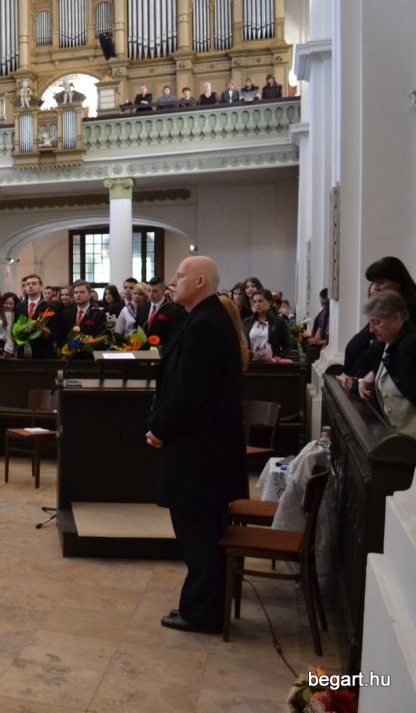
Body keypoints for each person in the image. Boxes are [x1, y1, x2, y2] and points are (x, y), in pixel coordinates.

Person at [147, 256, 246, 635]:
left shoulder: (206, 324)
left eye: (181, 275)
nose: (174, 282)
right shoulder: (202, 318)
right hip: (203, 449)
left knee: (199, 532)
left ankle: (202, 613)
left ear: (201, 281)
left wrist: (160, 428)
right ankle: (203, 607)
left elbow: (190, 392)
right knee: (198, 530)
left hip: (200, 453)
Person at [340, 256, 416, 391]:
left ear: (398, 283)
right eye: (374, 282)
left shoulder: (408, 317)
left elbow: (386, 357)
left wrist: (360, 380)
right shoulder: (382, 313)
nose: (376, 287)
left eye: (381, 282)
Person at [357, 290, 416, 437]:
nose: (371, 330)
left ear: (397, 317)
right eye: (370, 323)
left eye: (377, 322)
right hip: (398, 438)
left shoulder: (411, 345)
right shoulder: (388, 343)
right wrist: (370, 376)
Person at [243, 289, 291, 360]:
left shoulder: (278, 321)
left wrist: (280, 356)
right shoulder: (247, 322)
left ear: (270, 302)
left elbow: (287, 344)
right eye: (255, 302)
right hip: (252, 362)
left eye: (260, 301)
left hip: (272, 362)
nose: (257, 304)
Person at [141, 277, 185, 346]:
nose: (151, 294)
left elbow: (173, 337)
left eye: (155, 291)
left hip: (162, 349)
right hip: (143, 349)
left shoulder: (173, 311)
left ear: (163, 291)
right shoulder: (142, 308)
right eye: (149, 290)